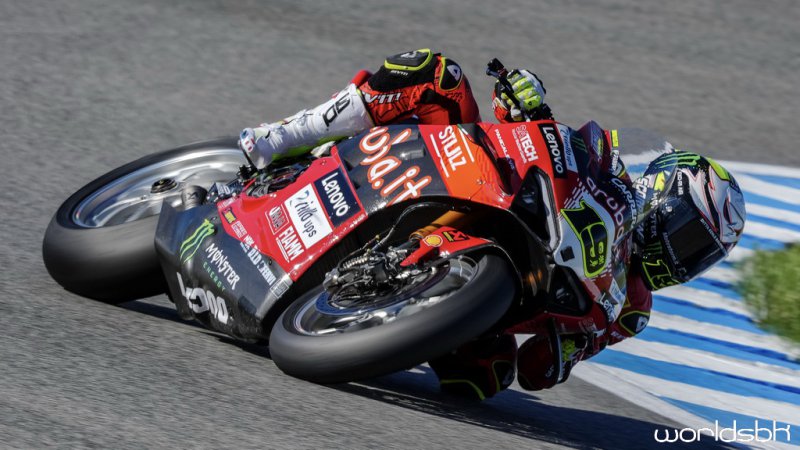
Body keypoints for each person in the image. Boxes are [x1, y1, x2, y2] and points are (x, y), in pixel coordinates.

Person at [238, 49, 746, 399]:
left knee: (485, 377)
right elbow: (535, 144)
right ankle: (282, 138)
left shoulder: (630, 309)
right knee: (436, 74)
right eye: (689, 236)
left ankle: (365, 313)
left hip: (494, 287)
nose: (683, 259)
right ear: (662, 195)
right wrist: (525, 105)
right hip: (467, 178)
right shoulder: (606, 168)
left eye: (699, 256)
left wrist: (568, 350)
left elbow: (536, 371)